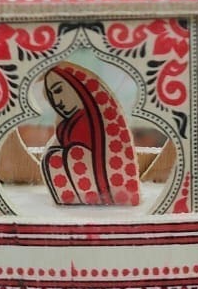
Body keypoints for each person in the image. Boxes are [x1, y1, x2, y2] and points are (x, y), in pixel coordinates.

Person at [40, 62, 140, 207]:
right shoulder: (66, 126)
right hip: (80, 199)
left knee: (69, 154)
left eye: (59, 90)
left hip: (104, 197)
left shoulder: (88, 122)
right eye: (51, 96)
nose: (57, 102)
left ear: (78, 87)